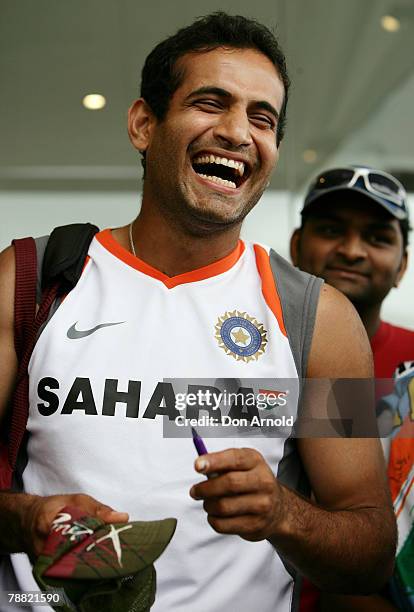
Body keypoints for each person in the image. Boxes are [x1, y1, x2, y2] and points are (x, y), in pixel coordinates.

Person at [0, 14, 396, 612]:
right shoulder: (28, 278)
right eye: (211, 103)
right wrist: (24, 519)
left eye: (261, 117)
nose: (237, 132)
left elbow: (371, 549)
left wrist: (286, 515)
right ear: (143, 124)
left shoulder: (319, 318)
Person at [290, 165, 413, 611]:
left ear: (402, 265)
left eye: (378, 237)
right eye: (330, 230)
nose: (352, 250)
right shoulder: (241, 353)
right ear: (296, 247)